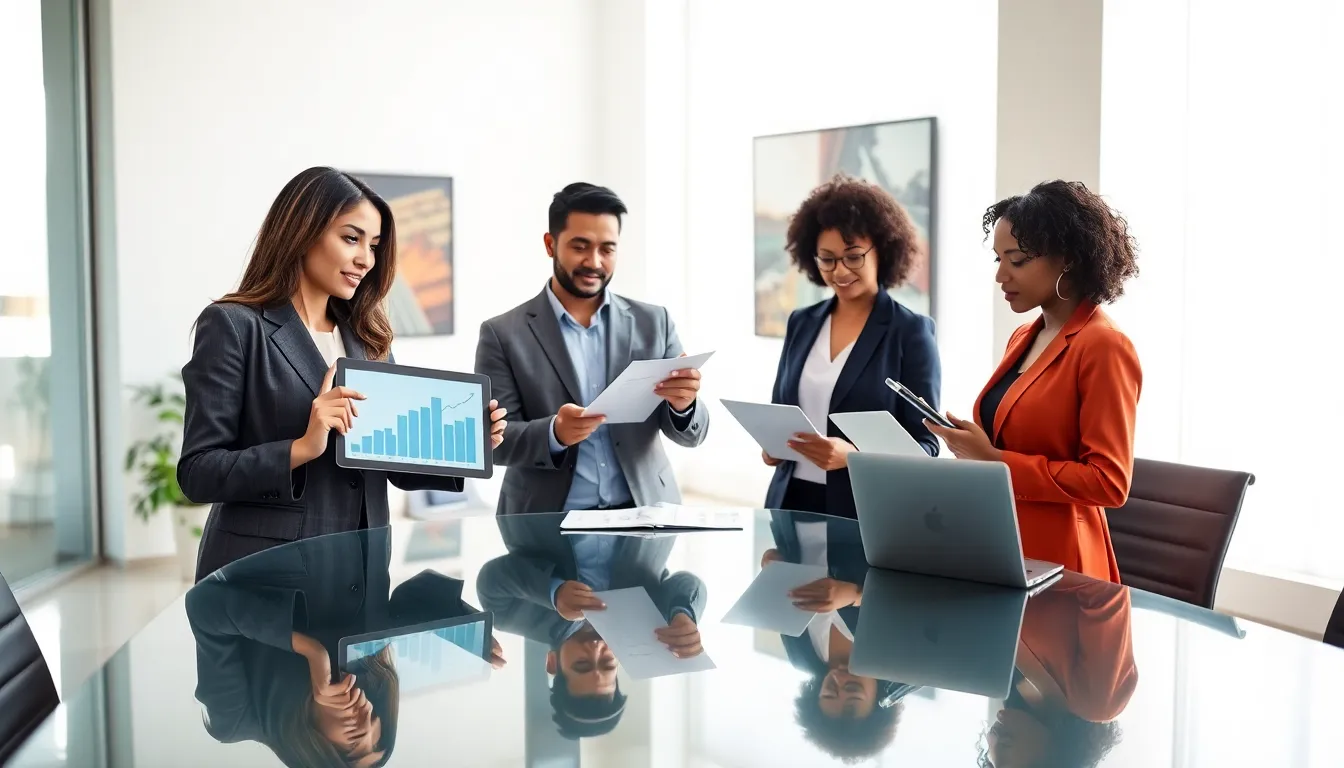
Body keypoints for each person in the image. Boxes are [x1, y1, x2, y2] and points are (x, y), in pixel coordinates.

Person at [178, 167, 507, 581]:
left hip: (362, 570)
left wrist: (467, 445)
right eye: (351, 238)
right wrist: (302, 446)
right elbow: (198, 472)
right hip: (266, 580)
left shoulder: (370, 339)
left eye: (374, 245)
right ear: (302, 231)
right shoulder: (233, 326)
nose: (366, 260)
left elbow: (394, 460)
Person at [924, 180, 1141, 583]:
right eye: (998, 259)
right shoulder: (1024, 336)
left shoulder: (1103, 346)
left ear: (1069, 261)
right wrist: (977, 448)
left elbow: (1108, 483)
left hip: (1064, 561)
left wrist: (994, 460)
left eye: (1018, 260)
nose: (1001, 275)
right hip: (1004, 544)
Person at [474, 182, 709, 515]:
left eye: (607, 249)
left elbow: (692, 437)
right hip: (545, 522)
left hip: (646, 515)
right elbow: (493, 442)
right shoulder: (502, 334)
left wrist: (684, 406)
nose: (594, 262)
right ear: (550, 244)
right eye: (580, 246)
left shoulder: (655, 322)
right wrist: (554, 432)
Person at [185, 527, 506, 767]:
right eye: (377, 732)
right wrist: (462, 627)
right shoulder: (366, 677)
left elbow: (203, 606)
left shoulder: (238, 720)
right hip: (352, 523)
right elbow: (403, 605)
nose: (365, 725)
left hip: (268, 524)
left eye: (353, 748)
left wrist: (310, 650)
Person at [764, 174, 942, 519]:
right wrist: (774, 447)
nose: (840, 271)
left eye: (853, 256)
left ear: (883, 249)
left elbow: (927, 446)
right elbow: (782, 411)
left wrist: (852, 456)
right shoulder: (801, 322)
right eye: (827, 259)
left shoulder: (911, 332)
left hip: (865, 511)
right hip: (789, 502)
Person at [477, 513, 707, 739]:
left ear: (553, 662)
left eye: (582, 664)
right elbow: (686, 582)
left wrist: (553, 592)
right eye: (607, 662)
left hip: (550, 496)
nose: (597, 648)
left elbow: (491, 581)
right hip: (639, 499)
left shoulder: (512, 616)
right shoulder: (643, 624)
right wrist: (683, 613)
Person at [761, 511, 911, 761]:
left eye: (829, 691)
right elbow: (917, 584)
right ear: (879, 699)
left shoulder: (801, 656)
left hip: (799, 513)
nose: (839, 679)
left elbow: (786, 589)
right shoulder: (898, 653)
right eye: (852, 689)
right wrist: (855, 595)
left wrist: (774, 564)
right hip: (860, 514)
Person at [979, 571, 1136, 767]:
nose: (993, 743)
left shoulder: (1007, 685)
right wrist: (1023, 571)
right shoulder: (1097, 699)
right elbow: (1105, 588)